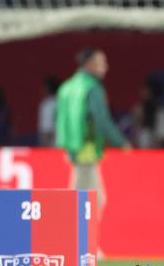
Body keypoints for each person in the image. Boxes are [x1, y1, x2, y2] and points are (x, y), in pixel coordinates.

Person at [56, 48, 131, 212]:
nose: (106, 67)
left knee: (82, 198)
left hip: (71, 148)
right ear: (90, 64)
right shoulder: (92, 88)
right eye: (102, 62)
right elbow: (102, 121)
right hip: (87, 149)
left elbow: (59, 120)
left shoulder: (67, 87)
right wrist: (121, 142)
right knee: (91, 200)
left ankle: (77, 234)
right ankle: (76, 235)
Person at [38, 76, 60, 146]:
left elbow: (47, 131)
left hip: (52, 148)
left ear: (47, 89)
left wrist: (45, 151)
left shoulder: (47, 105)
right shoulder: (63, 102)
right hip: (66, 147)